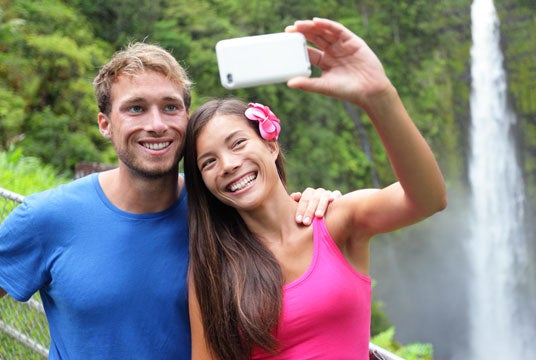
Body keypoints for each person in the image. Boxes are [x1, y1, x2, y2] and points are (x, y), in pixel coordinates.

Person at [0, 42, 337, 359]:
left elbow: (293, 238)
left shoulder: (221, 207)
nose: (157, 124)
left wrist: (318, 202)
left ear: (187, 118)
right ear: (105, 124)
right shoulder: (47, 218)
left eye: (170, 107)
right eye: (136, 108)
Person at [184, 18, 447, 360]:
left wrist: (378, 96)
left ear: (271, 144)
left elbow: (428, 199)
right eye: (208, 162)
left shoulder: (338, 221)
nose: (228, 165)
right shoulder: (214, 267)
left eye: (237, 144)